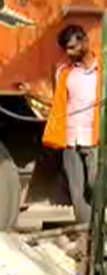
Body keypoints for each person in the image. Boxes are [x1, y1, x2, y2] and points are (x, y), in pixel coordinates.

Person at [35, 23, 102, 225]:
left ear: (85, 42)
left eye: (72, 47)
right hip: (70, 141)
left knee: (96, 186)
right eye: (66, 49)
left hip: (95, 139)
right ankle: (86, 233)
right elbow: (58, 103)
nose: (69, 53)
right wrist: (32, 93)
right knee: (77, 195)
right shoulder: (64, 73)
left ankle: (100, 228)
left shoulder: (102, 71)